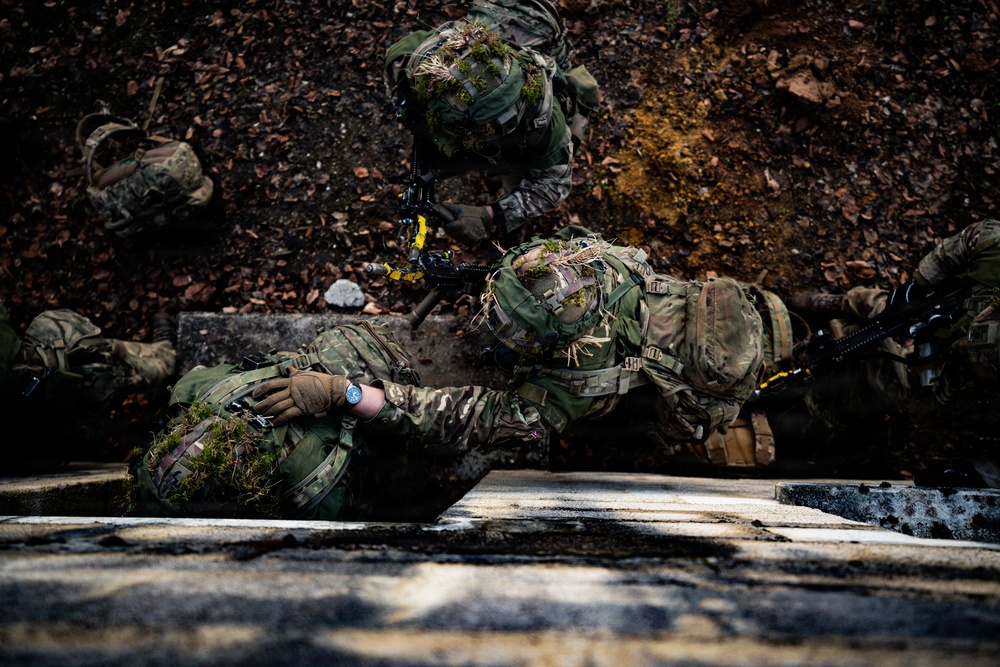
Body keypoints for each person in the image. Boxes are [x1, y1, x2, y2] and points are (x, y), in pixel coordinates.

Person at [134, 229, 766, 520]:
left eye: (513, 330)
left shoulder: (577, 382)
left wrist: (346, 394)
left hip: (667, 387)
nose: (492, 327)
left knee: (633, 436)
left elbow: (469, 418)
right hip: (681, 325)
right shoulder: (581, 267)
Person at [383, 0, 599, 246]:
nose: (492, 134)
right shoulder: (409, 63)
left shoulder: (544, 118)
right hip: (494, 13)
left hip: (537, 23)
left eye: (502, 125)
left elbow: (552, 185)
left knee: (519, 169)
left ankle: (511, 222)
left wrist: (490, 215)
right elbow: (402, 99)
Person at [0, 304, 176, 465]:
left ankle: (160, 354)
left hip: (42, 378)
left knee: (93, 352)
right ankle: (167, 358)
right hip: (43, 407)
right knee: (98, 368)